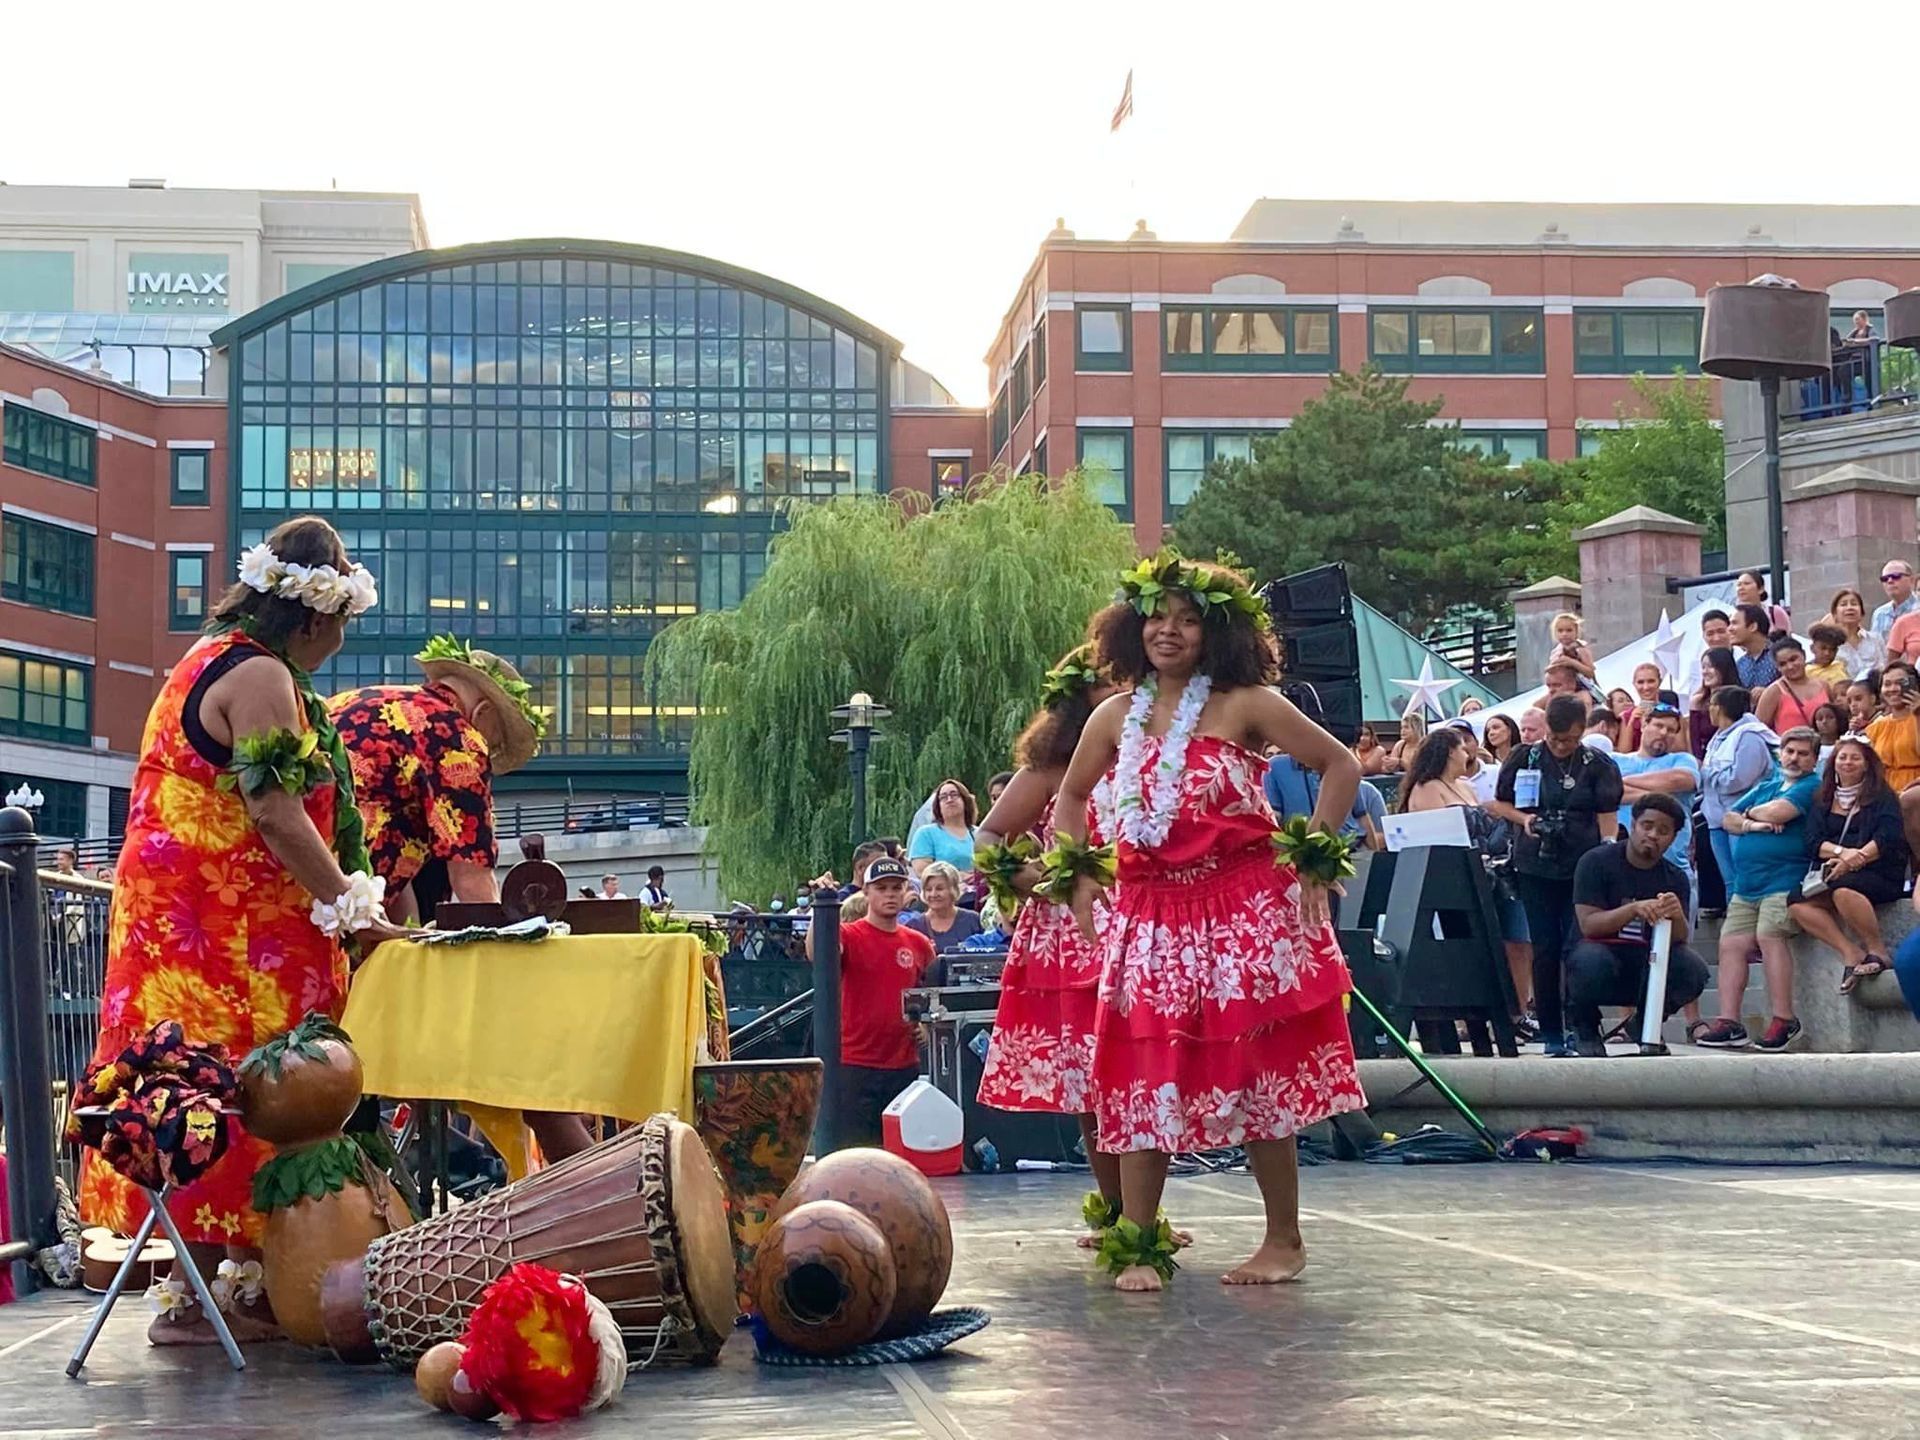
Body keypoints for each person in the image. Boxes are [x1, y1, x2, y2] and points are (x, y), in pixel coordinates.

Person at [81, 517, 409, 1347]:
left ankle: (222, 1290)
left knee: (197, 1085)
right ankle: (214, 1296)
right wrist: (352, 907)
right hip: (227, 931)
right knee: (252, 1088)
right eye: (341, 623)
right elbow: (274, 810)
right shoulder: (259, 674)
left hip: (183, 919)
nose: (341, 641)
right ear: (313, 616)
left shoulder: (205, 657)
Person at [1053, 557, 1364, 1289]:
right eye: (1157, 617)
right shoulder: (1113, 718)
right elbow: (1071, 797)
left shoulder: (1246, 704)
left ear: (1215, 632)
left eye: (1188, 619)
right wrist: (1079, 871)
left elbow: (1341, 765)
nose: (1169, 631)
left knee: (1254, 1072)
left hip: (1242, 910)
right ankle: (1138, 1242)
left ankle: (1283, 1240)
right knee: (1143, 1071)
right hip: (1149, 915)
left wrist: (1315, 856)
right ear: (1133, 628)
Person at [974, 646, 1123, 1234]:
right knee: (1093, 1079)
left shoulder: (1149, 751)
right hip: (1071, 935)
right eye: (1109, 681)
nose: (1123, 688)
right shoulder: (1053, 769)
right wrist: (1032, 878)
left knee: (1139, 1068)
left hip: (1141, 921)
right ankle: (1120, 1215)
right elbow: (989, 834)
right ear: (1080, 696)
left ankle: (1136, 1212)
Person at [329, 637, 543, 925]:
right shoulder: (458, 738)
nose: (488, 750)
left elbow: (389, 850)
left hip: (295, 863)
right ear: (483, 712)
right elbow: (471, 877)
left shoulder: (361, 699)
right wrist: (505, 942)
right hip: (331, 892)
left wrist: (411, 936)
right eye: (495, 739)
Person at [1487, 693, 1625, 1056]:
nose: (1562, 746)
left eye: (1570, 739)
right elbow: (1501, 803)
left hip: (1582, 866)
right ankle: (1550, 1030)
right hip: (1535, 866)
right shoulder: (1525, 757)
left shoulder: (1597, 764)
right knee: (1545, 949)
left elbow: (1607, 815)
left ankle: (1583, 1024)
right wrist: (1526, 820)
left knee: (1577, 947)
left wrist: (1607, 852)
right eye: (1555, 738)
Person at [1697, 728, 1822, 1050]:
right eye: (1789, 751)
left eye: (1803, 754)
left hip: (1784, 880)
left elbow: (1781, 812)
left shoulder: (1812, 785)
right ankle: (1729, 1022)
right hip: (1747, 884)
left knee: (1770, 936)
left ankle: (1784, 1019)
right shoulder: (1768, 785)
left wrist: (1750, 814)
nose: (1794, 758)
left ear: (1814, 759)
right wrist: (1755, 824)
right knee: (1731, 944)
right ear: (1780, 753)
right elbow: (1727, 819)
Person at [1565, 794, 1709, 1056]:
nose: (1653, 835)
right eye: (1647, 826)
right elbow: (1589, 925)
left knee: (1693, 968)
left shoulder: (1675, 877)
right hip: (1598, 957)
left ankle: (1644, 1023)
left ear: (1673, 838)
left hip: (1646, 961)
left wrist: (1677, 915)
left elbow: (1680, 939)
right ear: (1633, 825)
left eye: (1663, 831)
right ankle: (1585, 1028)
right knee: (1589, 959)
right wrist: (1633, 909)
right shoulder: (1595, 862)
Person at [804, 857, 934, 1144]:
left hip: (903, 1065)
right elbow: (817, 953)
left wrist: (926, 1026)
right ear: (866, 892)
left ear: (906, 891)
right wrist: (821, 906)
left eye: (896, 888)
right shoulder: (850, 934)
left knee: (902, 1147)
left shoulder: (919, 943)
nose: (890, 895)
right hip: (856, 1063)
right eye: (882, 888)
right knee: (857, 1149)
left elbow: (930, 995)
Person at [1789, 736, 1908, 993]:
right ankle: (1850, 952)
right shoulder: (1823, 798)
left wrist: (1857, 858)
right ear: (1833, 762)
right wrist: (1842, 854)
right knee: (1797, 902)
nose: (1848, 762)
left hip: (1879, 870)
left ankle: (1877, 950)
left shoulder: (1883, 796)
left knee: (1843, 890)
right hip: (1836, 868)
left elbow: (1888, 837)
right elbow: (1812, 841)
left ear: (1866, 764)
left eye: (1855, 758)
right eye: (1842, 757)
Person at [1615, 704, 1699, 891]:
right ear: (1644, 725)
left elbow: (1679, 780)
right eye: (1659, 725)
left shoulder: (1682, 760)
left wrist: (1622, 782)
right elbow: (1606, 792)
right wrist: (1661, 796)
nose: (1664, 733)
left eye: (1671, 730)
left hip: (1672, 869)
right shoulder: (1615, 760)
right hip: (1621, 867)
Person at [1266, 745, 1385, 851]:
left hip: (1353, 848)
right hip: (1306, 854)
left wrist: (1375, 853)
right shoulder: (1275, 767)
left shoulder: (1342, 762)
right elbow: (1274, 819)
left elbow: (1361, 815)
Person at [1865, 662, 1920, 860]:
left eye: (1900, 683)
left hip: (1915, 786)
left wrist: (1918, 715)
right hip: (1885, 786)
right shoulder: (1877, 725)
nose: (1893, 689)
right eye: (1887, 684)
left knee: (1907, 800)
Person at [903, 860, 984, 960]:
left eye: (939, 889)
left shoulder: (973, 920)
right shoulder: (913, 926)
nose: (933, 894)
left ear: (953, 890)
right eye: (928, 889)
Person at [1758, 637, 1831, 735]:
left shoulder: (1823, 686)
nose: (1790, 666)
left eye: (1793, 659)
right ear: (1777, 667)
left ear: (1804, 655)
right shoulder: (1774, 691)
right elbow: (1758, 729)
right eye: (1783, 664)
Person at [1397, 727, 1479, 812]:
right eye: (1463, 750)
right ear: (1451, 752)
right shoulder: (1428, 789)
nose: (1467, 756)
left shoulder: (1466, 785)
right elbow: (1435, 820)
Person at [908, 779, 978, 878]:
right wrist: (959, 876)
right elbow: (922, 871)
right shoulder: (926, 833)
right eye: (943, 797)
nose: (949, 800)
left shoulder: (979, 833)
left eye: (954, 795)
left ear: (965, 800)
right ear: (938, 806)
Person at [1825, 588, 1885, 678]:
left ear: (1862, 613)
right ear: (1835, 614)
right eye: (1843, 604)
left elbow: (1886, 667)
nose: (1849, 608)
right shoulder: (1829, 645)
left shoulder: (1876, 639)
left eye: (1854, 604)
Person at [1729, 604, 1780, 695]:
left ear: (1753, 626)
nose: (1729, 629)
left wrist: (1769, 693)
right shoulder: (1740, 664)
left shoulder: (1780, 656)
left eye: (1734, 623)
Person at [1734, 570, 1792, 638]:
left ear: (1761, 589)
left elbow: (1787, 639)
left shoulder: (1775, 612)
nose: (1741, 588)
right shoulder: (1732, 616)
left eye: (1746, 583)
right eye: (1738, 585)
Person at [1622, 663, 1665, 753]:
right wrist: (1631, 722)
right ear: (1634, 684)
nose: (1646, 687)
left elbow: (1681, 750)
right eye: (1640, 682)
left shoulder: (1671, 712)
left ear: (1659, 682)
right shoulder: (1626, 716)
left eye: (1651, 681)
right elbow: (1623, 752)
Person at [1872, 560, 1916, 644]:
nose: (1890, 581)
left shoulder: (1918, 609)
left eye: (1896, 576)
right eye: (1884, 579)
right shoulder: (1879, 614)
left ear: (1911, 580)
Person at [1547, 611, 1597, 682]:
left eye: (1569, 630)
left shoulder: (1581, 649)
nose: (1564, 634)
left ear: (1576, 632)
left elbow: (1590, 673)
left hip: (1581, 684)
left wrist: (1572, 662)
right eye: (1560, 631)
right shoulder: (1556, 651)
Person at [1805, 623, 1853, 694]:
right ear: (1812, 648)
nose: (1827, 653)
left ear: (1836, 651)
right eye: (1823, 648)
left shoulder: (1840, 666)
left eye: (1832, 649)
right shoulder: (1806, 671)